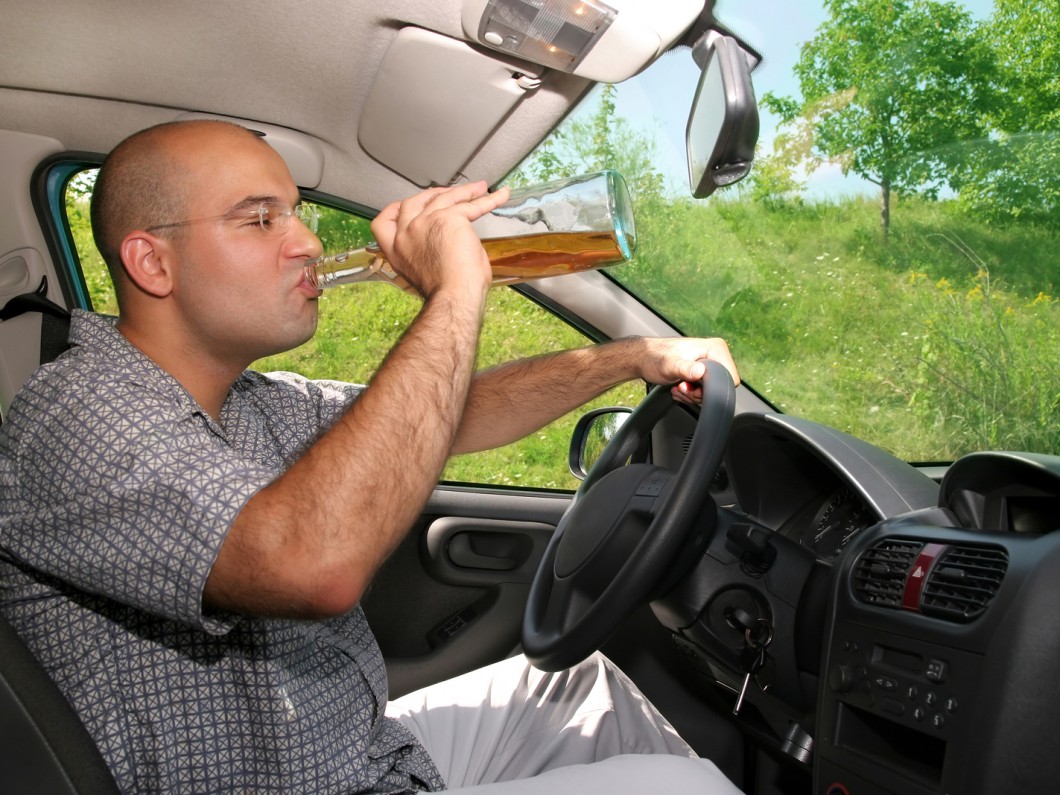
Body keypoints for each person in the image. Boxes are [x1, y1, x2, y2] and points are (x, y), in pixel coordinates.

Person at [0, 120, 742, 793]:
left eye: (296, 212)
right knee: (692, 789)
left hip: (346, 749)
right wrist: (457, 288)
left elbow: (445, 416)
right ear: (151, 263)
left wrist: (633, 357)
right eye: (260, 219)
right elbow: (312, 563)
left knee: (577, 688)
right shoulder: (79, 414)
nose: (308, 243)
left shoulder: (253, 398)